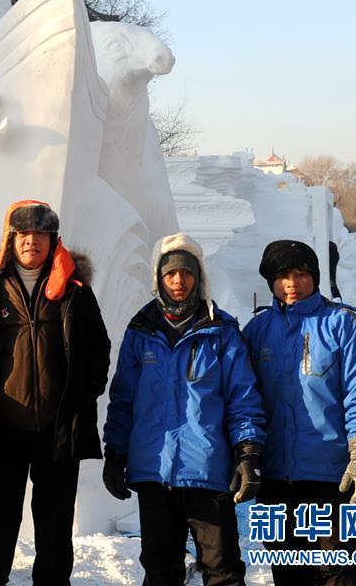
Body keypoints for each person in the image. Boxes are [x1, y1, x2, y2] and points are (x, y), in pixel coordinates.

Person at [0, 200, 111, 586]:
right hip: (1, 425)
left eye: (40, 235)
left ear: (52, 240)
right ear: (11, 240)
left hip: (58, 428)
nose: (31, 243)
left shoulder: (74, 290)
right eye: (23, 235)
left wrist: (84, 394)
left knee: (55, 524)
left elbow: (98, 347)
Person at [102, 232, 265, 586]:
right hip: (153, 472)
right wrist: (114, 453)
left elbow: (242, 398)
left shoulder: (222, 333)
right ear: (159, 278)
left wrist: (247, 452)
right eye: (170, 273)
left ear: (199, 277)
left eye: (187, 273)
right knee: (160, 569)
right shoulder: (140, 332)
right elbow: (124, 399)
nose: (179, 281)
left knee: (222, 569)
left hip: (207, 471)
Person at [242, 240, 356, 586]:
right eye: (282, 276)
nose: (292, 283)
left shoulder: (343, 325)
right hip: (276, 478)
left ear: (315, 276)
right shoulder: (257, 331)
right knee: (288, 570)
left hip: (332, 477)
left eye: (300, 273)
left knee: (339, 572)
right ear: (270, 281)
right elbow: (241, 398)